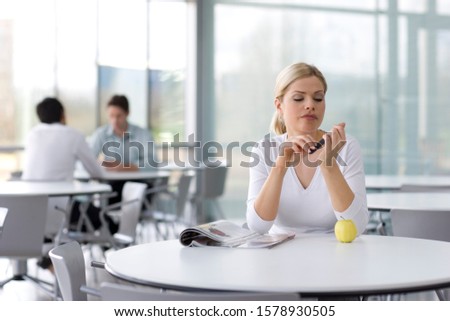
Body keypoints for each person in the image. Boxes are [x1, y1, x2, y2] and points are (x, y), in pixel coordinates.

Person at [246, 62, 369, 237]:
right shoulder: (264, 150)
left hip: (334, 254)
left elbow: (358, 225)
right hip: (278, 255)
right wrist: (280, 166)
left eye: (318, 98)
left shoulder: (345, 146)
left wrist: (328, 165)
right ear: (279, 106)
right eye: (298, 98)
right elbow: (257, 227)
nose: (310, 105)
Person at [22, 97, 117, 269]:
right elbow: (96, 172)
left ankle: (49, 260)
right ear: (62, 115)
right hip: (61, 212)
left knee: (76, 216)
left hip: (28, 212)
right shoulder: (73, 135)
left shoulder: (32, 135)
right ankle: (110, 255)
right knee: (105, 219)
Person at [89, 94, 158, 203]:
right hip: (111, 186)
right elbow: (87, 160)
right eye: (111, 116)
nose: (114, 121)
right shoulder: (101, 134)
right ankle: (110, 219)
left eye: (119, 116)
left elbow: (152, 164)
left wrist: (123, 167)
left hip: (138, 184)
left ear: (127, 113)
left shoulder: (143, 134)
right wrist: (101, 164)